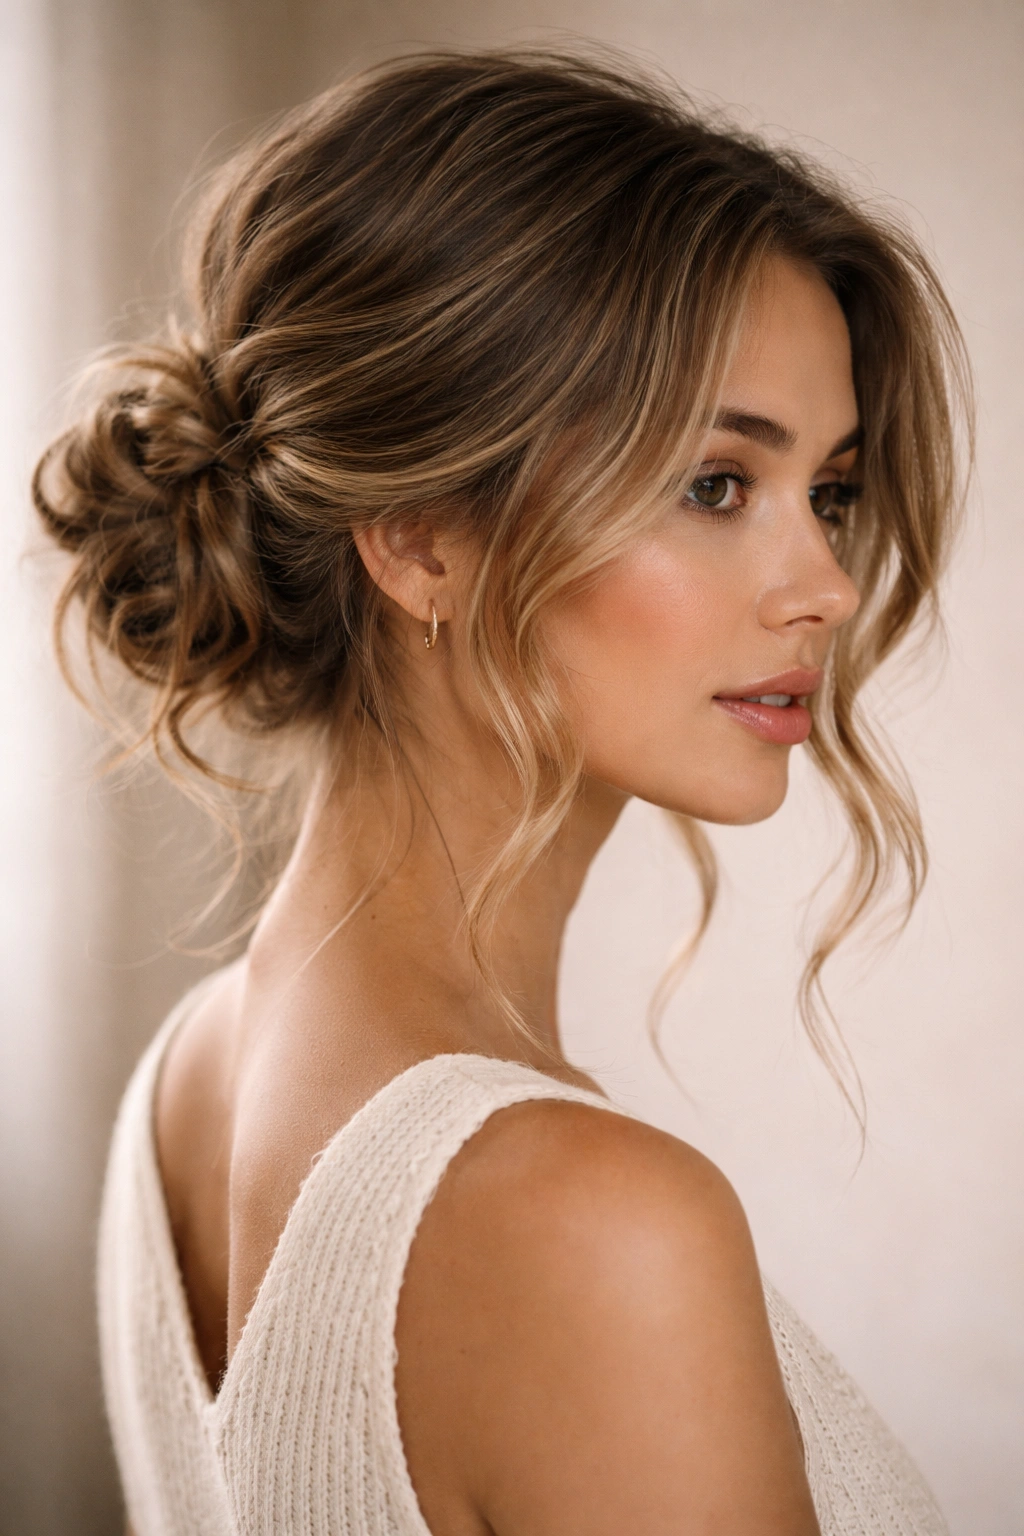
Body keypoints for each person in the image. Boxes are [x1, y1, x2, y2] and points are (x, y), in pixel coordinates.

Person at [34, 48, 968, 1536]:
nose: (828, 587)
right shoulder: (588, 1222)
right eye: (718, 484)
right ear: (419, 538)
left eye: (832, 492)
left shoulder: (191, 1081)